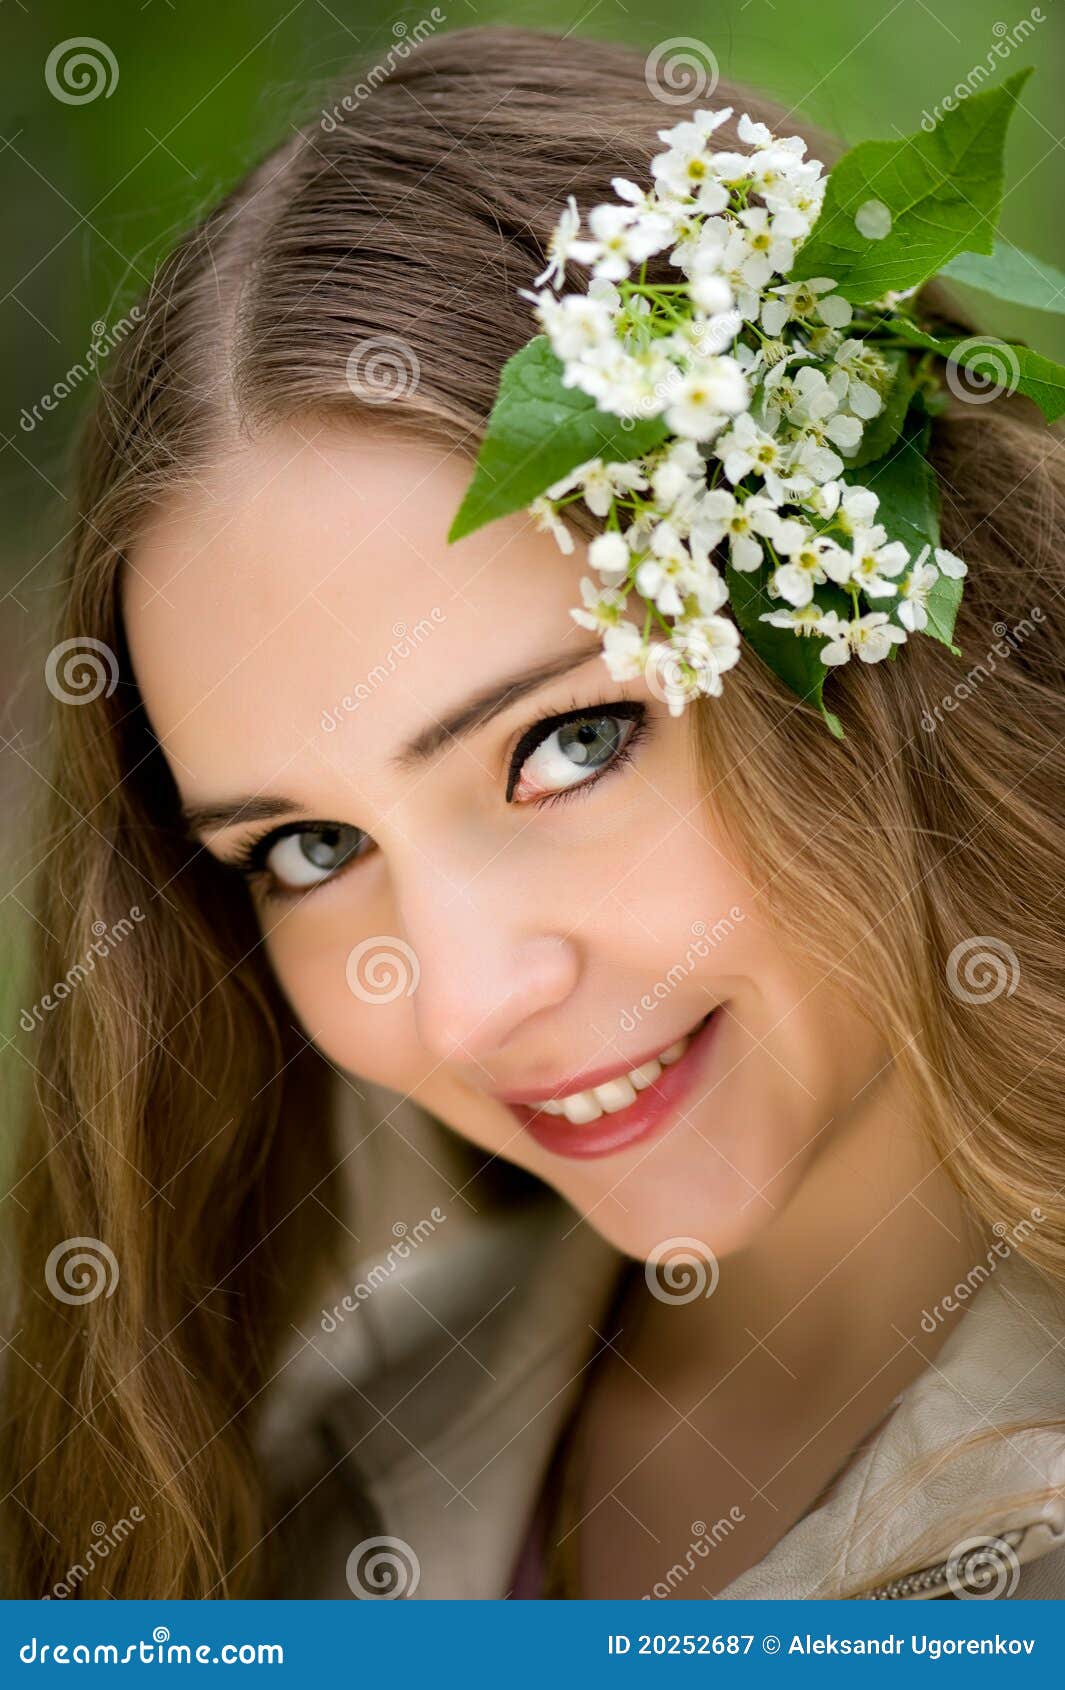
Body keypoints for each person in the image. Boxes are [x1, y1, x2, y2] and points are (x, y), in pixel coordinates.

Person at [3, 25, 1064, 1602]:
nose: (464, 994)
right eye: (308, 849)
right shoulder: (274, 1483)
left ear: (870, 616)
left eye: (565, 742)